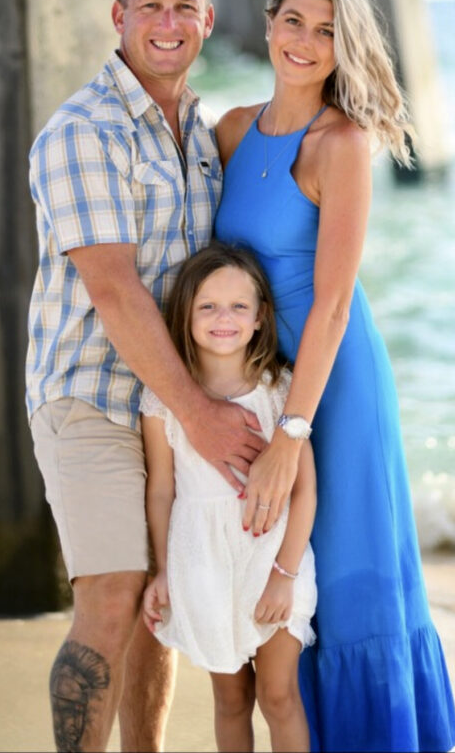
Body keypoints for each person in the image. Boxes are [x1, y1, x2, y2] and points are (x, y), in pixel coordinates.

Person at [25, 0, 265, 753]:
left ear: (208, 20)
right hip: (89, 392)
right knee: (114, 591)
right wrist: (199, 414)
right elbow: (114, 290)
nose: (168, 23)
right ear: (119, 17)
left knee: (159, 605)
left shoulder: (202, 130)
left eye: (185, 8)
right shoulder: (81, 133)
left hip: (169, 404)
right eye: (151, 7)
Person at [214, 0, 455, 752]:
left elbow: (329, 301)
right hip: (260, 383)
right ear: (267, 24)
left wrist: (291, 434)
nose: (305, 42)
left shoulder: (341, 143)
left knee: (348, 575)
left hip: (336, 387)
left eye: (326, 30)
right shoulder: (230, 130)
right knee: (280, 583)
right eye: (294, 21)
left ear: (342, 46)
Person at [140, 242, 317, 753]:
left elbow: (304, 490)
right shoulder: (162, 401)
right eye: (208, 306)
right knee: (232, 700)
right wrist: (163, 569)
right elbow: (161, 490)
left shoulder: (280, 391)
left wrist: (284, 575)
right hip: (202, 565)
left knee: (279, 696)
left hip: (273, 560)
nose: (224, 318)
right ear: (186, 315)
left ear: (261, 317)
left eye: (239, 306)